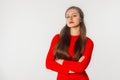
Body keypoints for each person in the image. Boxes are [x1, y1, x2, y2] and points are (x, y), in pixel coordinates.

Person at [45, 6, 94, 80]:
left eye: (74, 15)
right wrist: (74, 67)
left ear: (80, 19)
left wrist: (62, 62)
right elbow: (48, 64)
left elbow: (81, 67)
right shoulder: (57, 38)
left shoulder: (88, 42)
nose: (70, 18)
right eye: (67, 16)